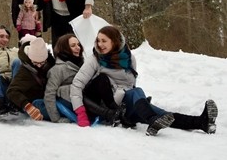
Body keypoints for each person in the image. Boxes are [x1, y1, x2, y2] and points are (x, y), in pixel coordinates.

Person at [70, 26, 218, 135]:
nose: (100, 44)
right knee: (139, 95)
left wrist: (139, 103)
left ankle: (201, 122)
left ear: (115, 42)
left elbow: (130, 83)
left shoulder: (129, 58)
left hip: (126, 101)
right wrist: (81, 112)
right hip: (108, 105)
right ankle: (151, 118)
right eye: (98, 40)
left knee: (163, 114)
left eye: (104, 41)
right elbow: (77, 85)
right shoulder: (95, 60)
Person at [6, 36, 55, 120]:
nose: (39, 66)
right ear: (30, 58)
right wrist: (27, 106)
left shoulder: (51, 64)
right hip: (33, 102)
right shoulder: (24, 71)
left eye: (42, 62)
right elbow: (12, 91)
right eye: (35, 62)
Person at [43, 33, 85, 123]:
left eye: (78, 45)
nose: (78, 48)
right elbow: (49, 94)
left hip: (85, 99)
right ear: (65, 49)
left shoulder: (83, 64)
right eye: (73, 46)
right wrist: (56, 118)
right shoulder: (58, 69)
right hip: (70, 102)